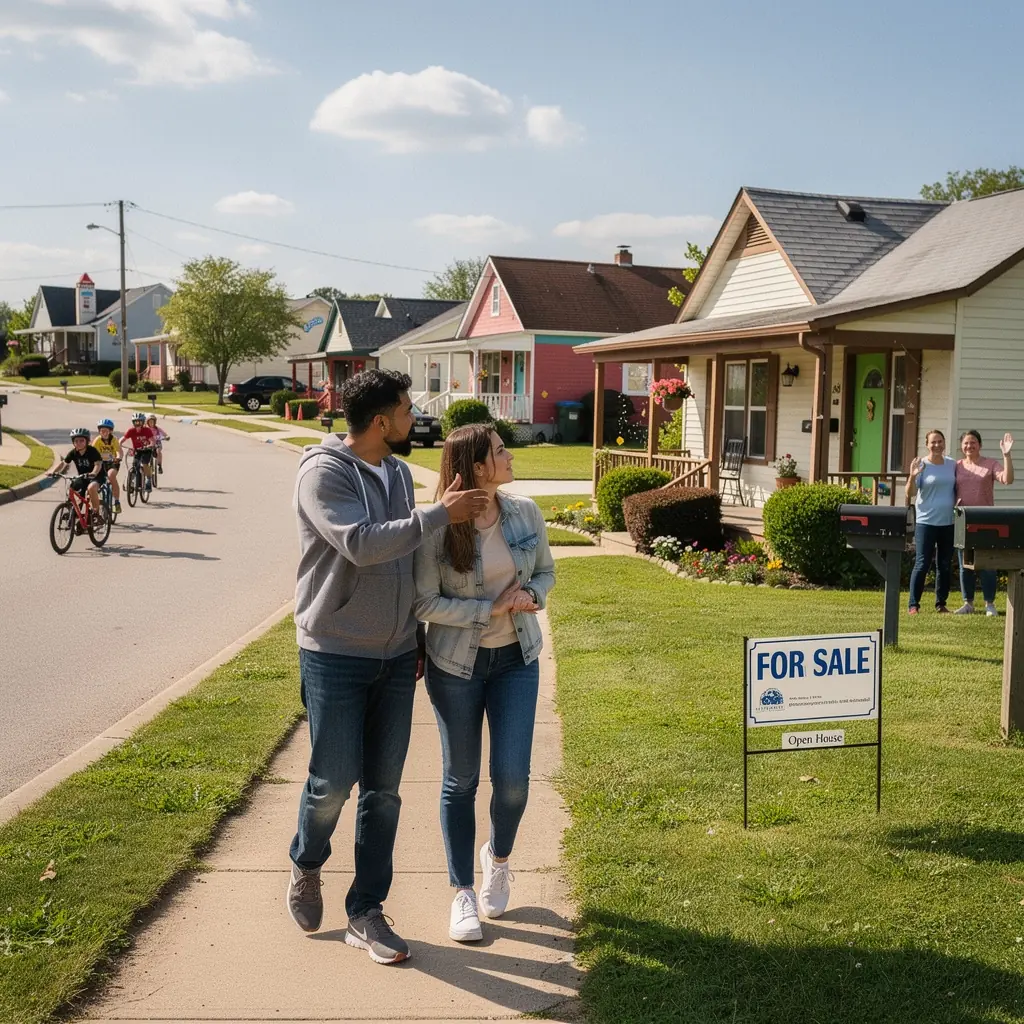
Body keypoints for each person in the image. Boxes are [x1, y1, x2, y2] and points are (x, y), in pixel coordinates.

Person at [288, 368, 489, 966]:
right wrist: (439, 515)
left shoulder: (399, 472)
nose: (412, 417)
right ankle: (306, 861)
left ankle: (366, 911)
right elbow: (365, 543)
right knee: (332, 781)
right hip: (336, 652)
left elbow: (406, 563)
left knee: (385, 790)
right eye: (406, 408)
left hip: (398, 654)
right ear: (381, 420)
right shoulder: (323, 473)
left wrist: (417, 635)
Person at [413, 424, 556, 943]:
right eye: (500, 451)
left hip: (518, 659)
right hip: (457, 668)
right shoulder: (436, 528)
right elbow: (424, 603)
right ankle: (463, 894)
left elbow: (544, 572)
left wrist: (531, 597)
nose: (509, 455)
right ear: (475, 467)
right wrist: (486, 608)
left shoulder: (526, 513)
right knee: (461, 780)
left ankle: (498, 857)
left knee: (513, 780)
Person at [954, 430, 1015, 616]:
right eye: (965, 443)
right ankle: (968, 603)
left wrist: (1007, 455)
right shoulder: (956, 466)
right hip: (963, 519)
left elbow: (1007, 479)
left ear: (979, 445)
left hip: (986, 520)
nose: (969, 446)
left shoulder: (990, 464)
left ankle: (990, 604)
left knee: (988, 564)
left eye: (973, 442)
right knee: (965, 564)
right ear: (961, 446)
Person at [905, 429, 957, 615]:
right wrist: (912, 475)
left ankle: (941, 604)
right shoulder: (921, 465)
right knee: (922, 563)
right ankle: (913, 605)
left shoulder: (952, 464)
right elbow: (909, 493)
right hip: (926, 522)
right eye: (933, 442)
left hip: (948, 522)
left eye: (940, 441)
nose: (937, 445)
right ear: (927, 444)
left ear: (944, 443)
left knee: (943, 565)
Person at [51, 427, 104, 514]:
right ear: (73, 442)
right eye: (76, 441)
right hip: (83, 477)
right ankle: (75, 511)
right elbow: (64, 463)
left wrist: (94, 473)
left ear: (87, 441)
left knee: (91, 488)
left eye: (81, 440)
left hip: (97, 476)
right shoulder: (73, 452)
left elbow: (98, 464)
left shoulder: (92, 451)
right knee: (72, 489)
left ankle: (96, 512)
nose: (78, 443)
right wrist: (53, 472)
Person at [120, 412, 156, 492]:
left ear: (143, 422)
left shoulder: (147, 430)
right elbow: (123, 439)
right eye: (136, 422)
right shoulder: (131, 430)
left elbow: (152, 441)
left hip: (146, 450)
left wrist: (149, 445)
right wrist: (119, 444)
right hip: (137, 450)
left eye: (140, 422)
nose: (138, 424)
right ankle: (131, 483)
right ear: (133, 422)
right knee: (135, 465)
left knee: (144, 464)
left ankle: (148, 480)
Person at [93, 418, 122, 514]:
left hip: (112, 462)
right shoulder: (97, 440)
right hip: (101, 463)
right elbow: (91, 451)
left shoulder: (114, 440)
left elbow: (118, 451)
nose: (104, 433)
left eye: (106, 431)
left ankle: (116, 502)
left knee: (111, 475)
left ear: (110, 431)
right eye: (101, 431)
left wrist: (118, 457)